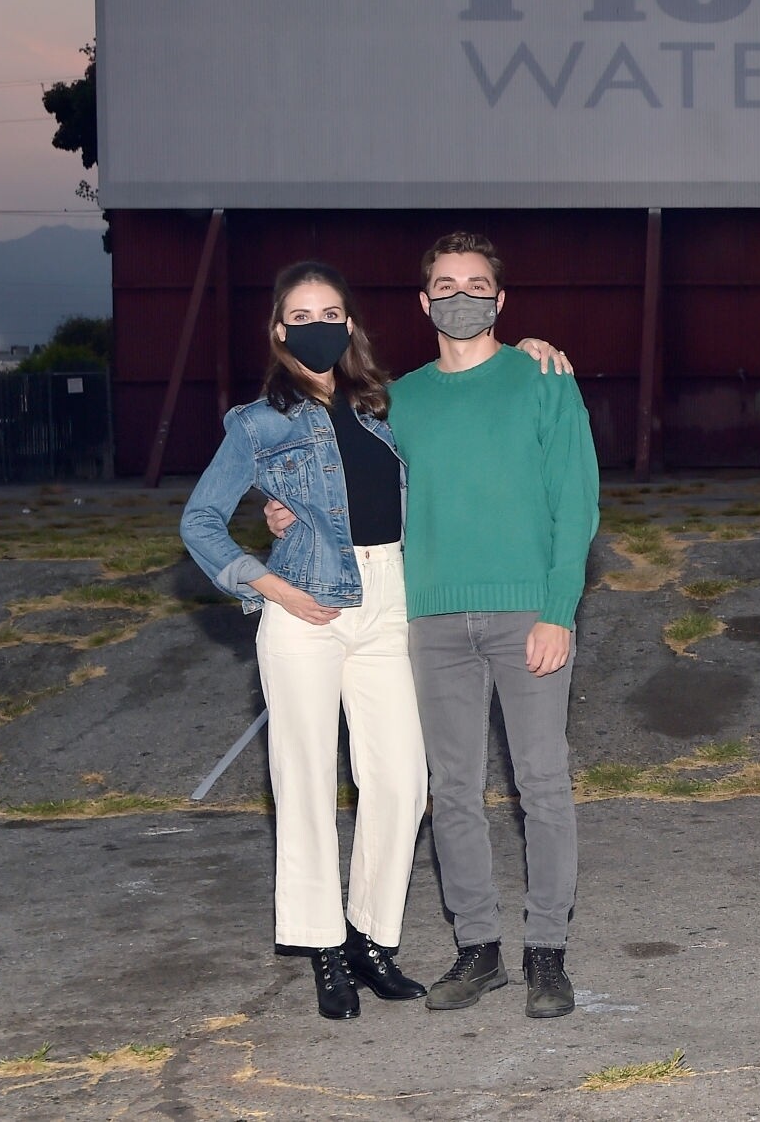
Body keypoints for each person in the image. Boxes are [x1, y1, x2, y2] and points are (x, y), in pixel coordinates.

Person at [268, 232, 594, 1018]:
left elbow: (576, 501)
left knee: (542, 784)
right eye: (445, 285)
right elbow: (347, 478)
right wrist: (285, 510)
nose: (460, 296)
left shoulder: (543, 379)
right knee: (450, 789)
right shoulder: (398, 399)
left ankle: (546, 952)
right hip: (431, 619)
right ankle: (478, 949)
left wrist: (558, 610)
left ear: (501, 299)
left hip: (527, 613)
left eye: (476, 284)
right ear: (423, 302)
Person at [181, 261, 429, 1020]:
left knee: (402, 779)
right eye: (301, 315)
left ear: (349, 324)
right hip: (304, 608)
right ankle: (324, 946)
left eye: (330, 313)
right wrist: (272, 588)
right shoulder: (259, 422)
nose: (317, 325)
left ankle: (370, 936)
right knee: (306, 780)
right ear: (279, 331)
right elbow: (200, 520)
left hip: (390, 601)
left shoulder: (385, 407)